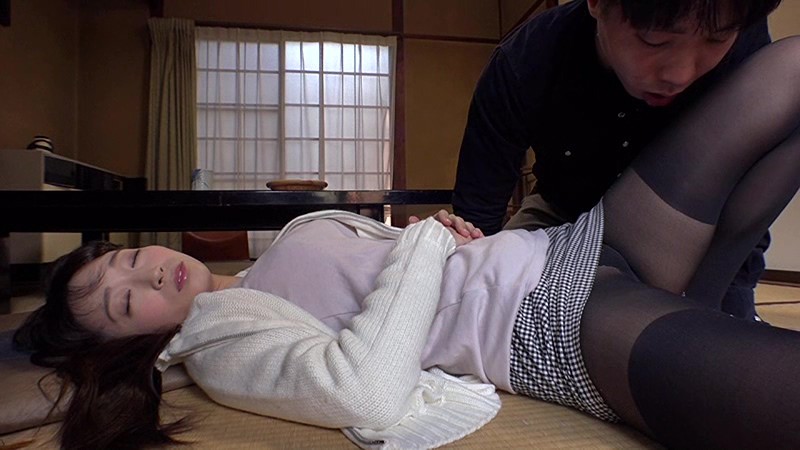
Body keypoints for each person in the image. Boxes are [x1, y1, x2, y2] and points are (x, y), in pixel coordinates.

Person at [13, 36, 800, 449]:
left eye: (128, 260)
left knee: (786, 71)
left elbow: (404, 262)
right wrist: (425, 246)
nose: (149, 273)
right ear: (138, 348)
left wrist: (443, 239)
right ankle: (695, 318)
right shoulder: (222, 343)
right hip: (549, 327)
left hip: (571, 245)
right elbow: (363, 394)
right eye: (127, 303)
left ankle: (703, 306)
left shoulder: (261, 263)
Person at [452, 0, 781, 321]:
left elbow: (748, 189)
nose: (679, 75)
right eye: (654, 40)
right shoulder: (525, 61)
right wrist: (462, 254)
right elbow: (478, 214)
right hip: (561, 209)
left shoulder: (746, 44)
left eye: (716, 39)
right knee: (489, 295)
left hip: (675, 222)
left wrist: (734, 297)